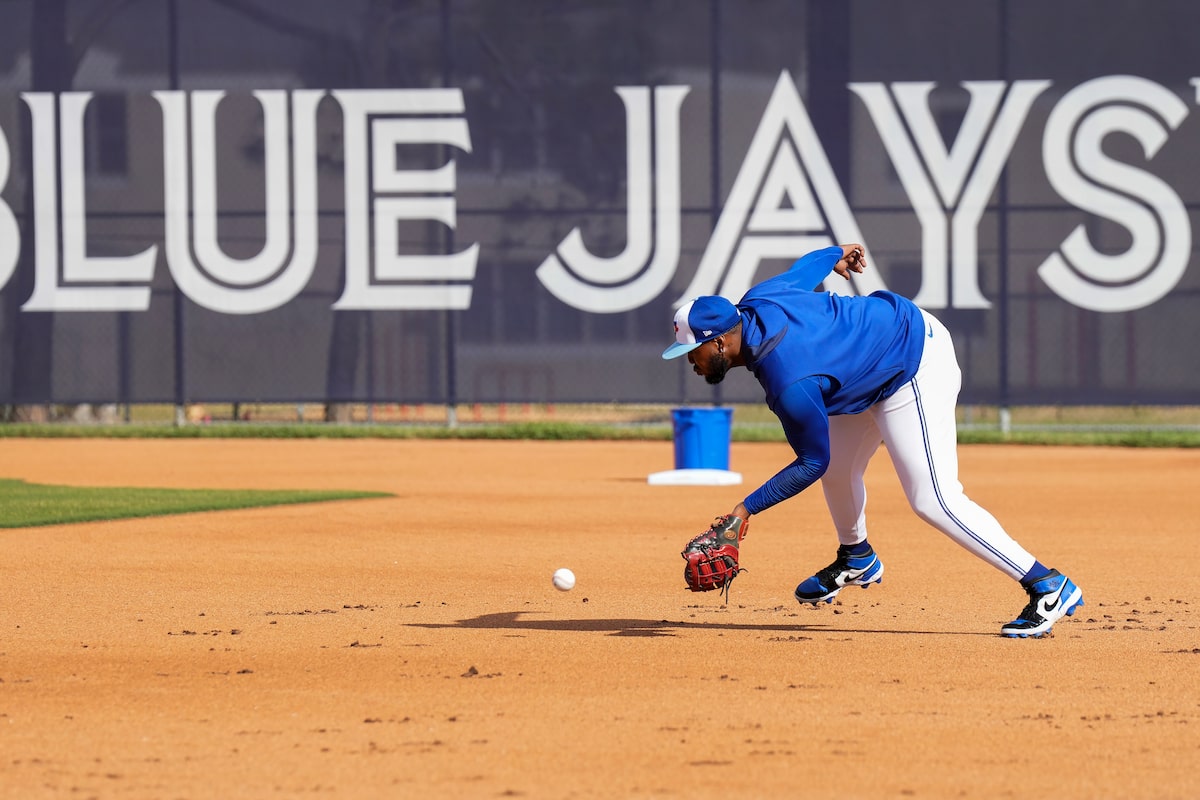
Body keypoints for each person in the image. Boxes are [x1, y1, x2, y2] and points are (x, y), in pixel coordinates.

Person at [661, 243, 1084, 638]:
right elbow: (803, 271)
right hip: (868, 362)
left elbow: (811, 461)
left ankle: (1047, 584)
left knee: (933, 500)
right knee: (841, 471)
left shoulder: (789, 381)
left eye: (692, 353)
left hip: (911, 360)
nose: (691, 364)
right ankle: (857, 557)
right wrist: (836, 253)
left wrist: (744, 509)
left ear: (719, 342)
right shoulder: (758, 301)